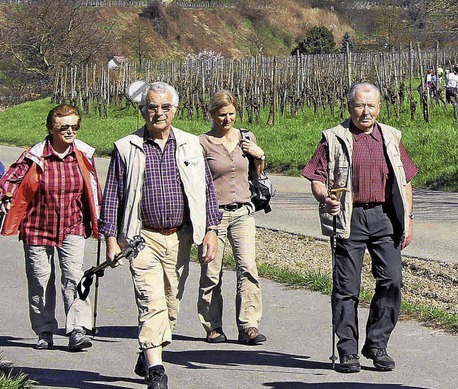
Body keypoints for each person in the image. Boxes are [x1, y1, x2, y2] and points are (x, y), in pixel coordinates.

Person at [99, 82, 221, 389]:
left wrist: (211, 230)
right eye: (152, 107)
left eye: (165, 107)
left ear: (175, 110)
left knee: (170, 305)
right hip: (142, 237)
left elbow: (207, 191)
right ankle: (156, 370)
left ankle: (148, 350)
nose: (159, 113)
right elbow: (112, 195)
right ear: (142, 110)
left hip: (179, 237)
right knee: (150, 301)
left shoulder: (192, 145)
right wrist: (111, 240)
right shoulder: (126, 147)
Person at [302, 82, 418, 374]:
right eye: (359, 105)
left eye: (370, 106)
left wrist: (409, 219)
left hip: (385, 217)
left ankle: (377, 344)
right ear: (349, 106)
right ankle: (348, 351)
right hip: (349, 217)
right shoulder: (334, 137)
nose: (365, 112)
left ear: (379, 107)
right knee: (346, 288)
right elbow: (316, 176)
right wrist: (324, 196)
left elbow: (405, 180)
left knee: (391, 281)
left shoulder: (392, 136)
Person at [0, 104, 100, 352]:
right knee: (40, 281)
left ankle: (76, 329)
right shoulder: (34, 155)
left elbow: (94, 188)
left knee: (74, 278)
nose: (70, 131)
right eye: (63, 127)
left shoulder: (83, 154)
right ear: (50, 129)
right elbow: (10, 179)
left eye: (74, 126)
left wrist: (100, 219)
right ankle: (45, 330)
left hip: (72, 225)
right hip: (37, 226)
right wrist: (6, 196)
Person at [198, 90, 267, 346]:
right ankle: (212, 325)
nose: (227, 120)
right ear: (212, 114)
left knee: (248, 268)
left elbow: (257, 175)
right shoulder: (202, 143)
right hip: (213, 215)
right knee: (211, 272)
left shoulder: (245, 137)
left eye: (231, 114)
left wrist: (259, 155)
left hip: (243, 212)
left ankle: (249, 325)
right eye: (221, 115)